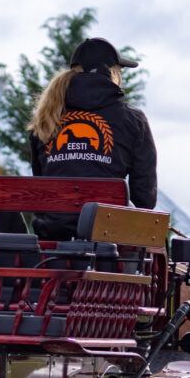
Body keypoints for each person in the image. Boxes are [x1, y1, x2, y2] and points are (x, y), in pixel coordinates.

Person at [25, 37, 157, 239]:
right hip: (109, 241)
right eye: (119, 72)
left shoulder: (45, 119)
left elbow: (40, 183)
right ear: (111, 72)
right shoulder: (133, 120)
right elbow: (145, 198)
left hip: (52, 238)